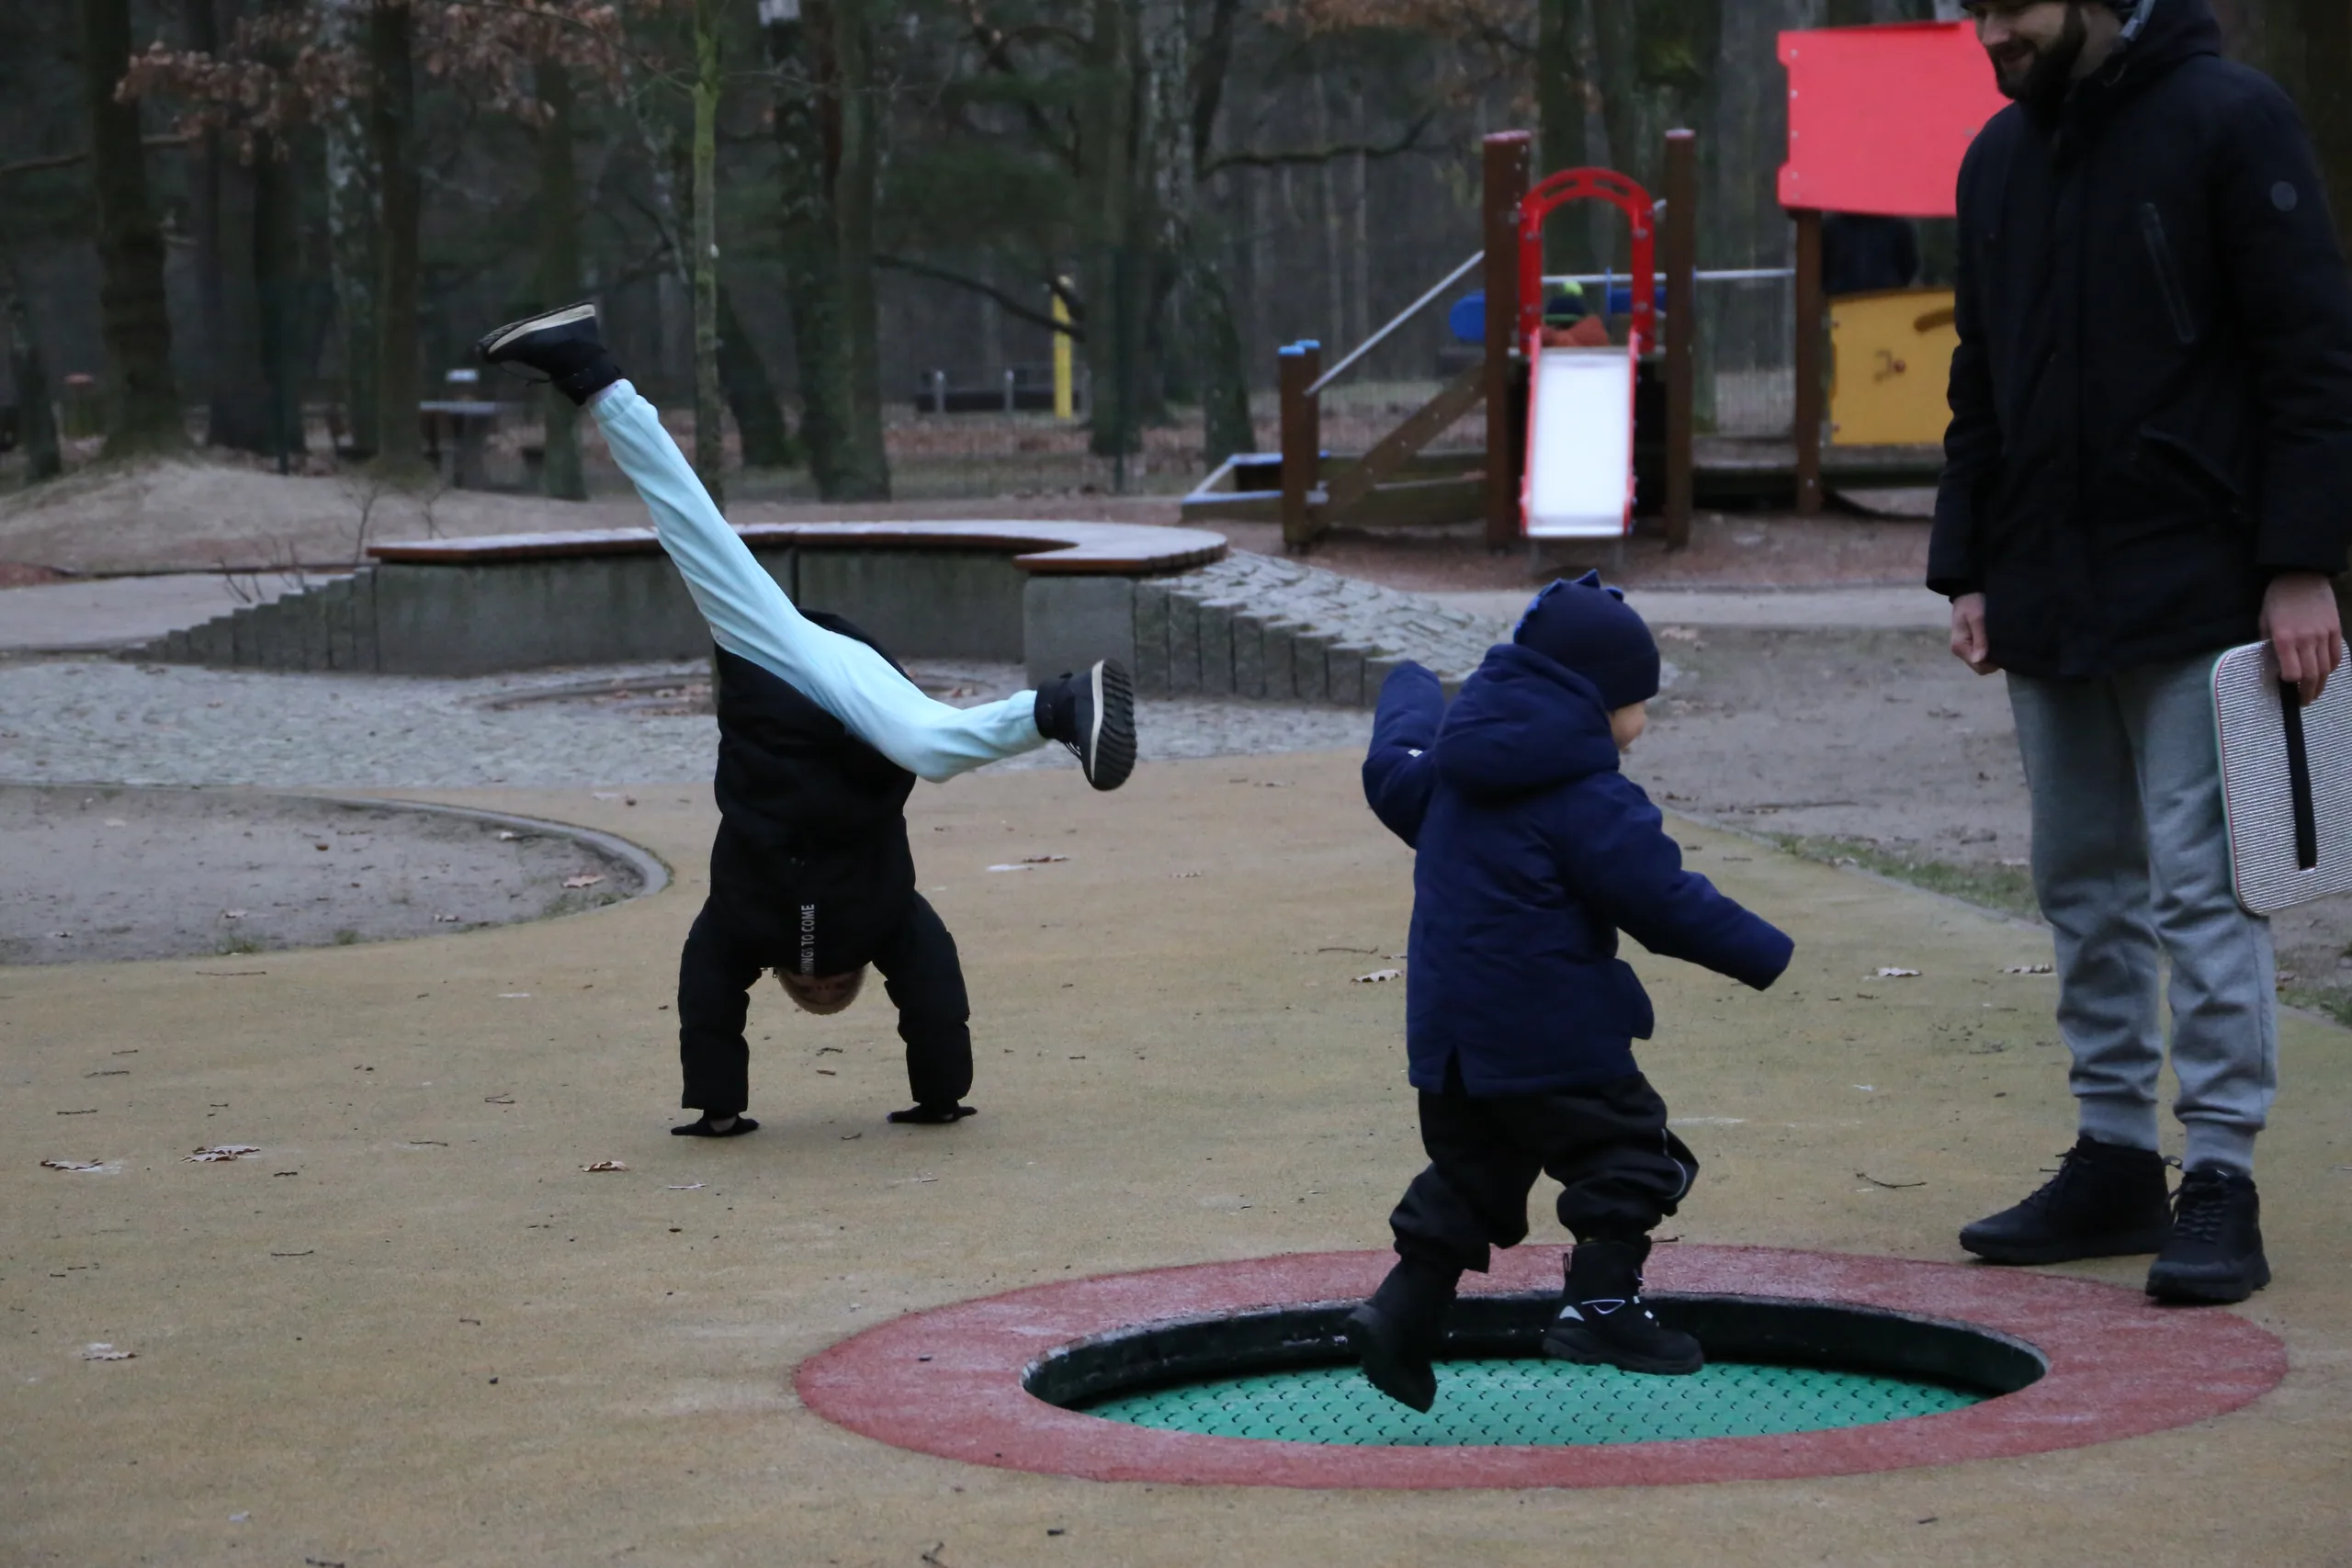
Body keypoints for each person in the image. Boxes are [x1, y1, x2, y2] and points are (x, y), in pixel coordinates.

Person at [474, 302, 1138, 1133]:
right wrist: (940, 1095)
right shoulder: (888, 918)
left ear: (783, 980)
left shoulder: (736, 926)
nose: (820, 977)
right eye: (835, 986)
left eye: (810, 989)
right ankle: (1060, 704)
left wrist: (717, 1109)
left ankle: (588, 370)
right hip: (856, 715)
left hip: (778, 680)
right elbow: (932, 990)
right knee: (926, 746)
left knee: (691, 532)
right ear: (857, 968)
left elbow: (707, 997)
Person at [1934, 0, 2352, 1302]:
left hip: (2203, 581)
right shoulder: (1996, 158)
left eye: (2011, 6)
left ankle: (2219, 1172)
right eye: (1969, 5)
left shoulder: (2233, 120)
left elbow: (2312, 352)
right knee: (2080, 877)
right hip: (2044, 584)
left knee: (2202, 884)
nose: (1987, 32)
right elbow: (1980, 376)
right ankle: (2114, 1155)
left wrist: (2303, 562)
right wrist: (1969, 563)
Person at [1344, 574, 1794, 1412]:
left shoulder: (1447, 774)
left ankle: (1400, 1314)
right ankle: (1602, 1305)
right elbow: (1663, 901)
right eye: (1638, 702)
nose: (1643, 720)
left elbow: (1388, 766)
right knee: (1630, 1154)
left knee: (1476, 1170)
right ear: (1596, 701)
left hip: (1451, 1043)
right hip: (1553, 1035)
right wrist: (1765, 951)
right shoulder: (1589, 797)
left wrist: (1409, 685)